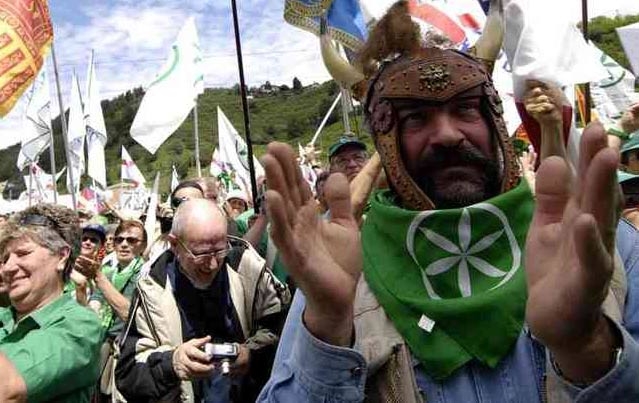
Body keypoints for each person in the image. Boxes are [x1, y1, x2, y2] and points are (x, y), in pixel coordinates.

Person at [256, 3, 639, 402]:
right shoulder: (342, 270)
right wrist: (329, 328)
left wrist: (586, 348)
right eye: (417, 118)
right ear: (386, 142)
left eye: (465, 109)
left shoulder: (600, 245)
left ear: (493, 121)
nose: (447, 135)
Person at [115, 199, 290, 403]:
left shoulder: (248, 270)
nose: (213, 264)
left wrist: (252, 356)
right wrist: (172, 364)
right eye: (202, 254)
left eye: (220, 250)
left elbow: (287, 335)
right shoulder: (152, 289)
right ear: (174, 244)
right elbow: (127, 375)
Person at [0, 204, 102, 402]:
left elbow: (7, 390)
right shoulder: (3, 319)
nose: (8, 267)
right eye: (5, 259)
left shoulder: (80, 326)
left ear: (62, 256)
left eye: (23, 253)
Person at [75, 220, 147, 400]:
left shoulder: (146, 274)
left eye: (131, 240)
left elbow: (129, 315)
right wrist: (81, 290)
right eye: (119, 239)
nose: (124, 244)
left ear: (143, 245)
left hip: (127, 351)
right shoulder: (109, 271)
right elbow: (92, 312)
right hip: (102, 344)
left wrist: (98, 278)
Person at [67, 223, 107, 305]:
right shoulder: (65, 266)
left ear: (101, 245)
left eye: (93, 240)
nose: (87, 242)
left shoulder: (105, 272)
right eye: (84, 239)